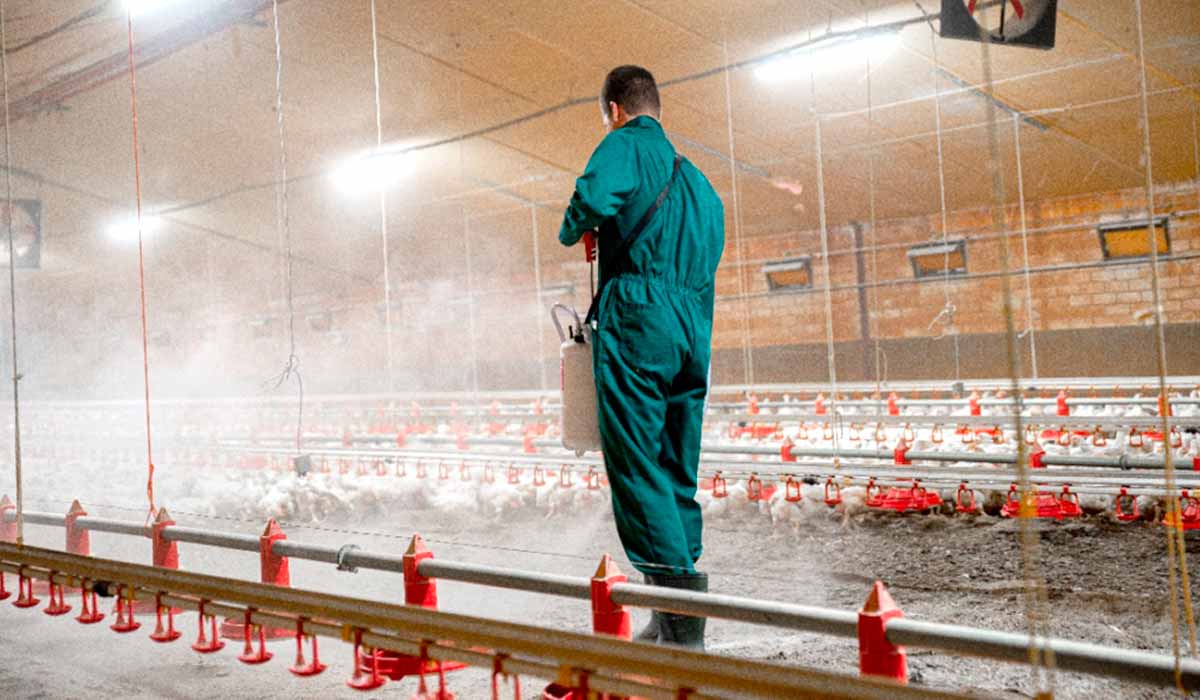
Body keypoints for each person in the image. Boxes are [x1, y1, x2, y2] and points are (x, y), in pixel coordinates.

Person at [558, 65, 725, 649]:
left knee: (636, 461)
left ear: (614, 110)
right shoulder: (700, 183)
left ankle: (679, 623)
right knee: (676, 460)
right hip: (693, 324)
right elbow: (709, 256)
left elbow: (591, 197)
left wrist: (579, 223)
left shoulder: (624, 144)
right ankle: (674, 611)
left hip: (639, 316)